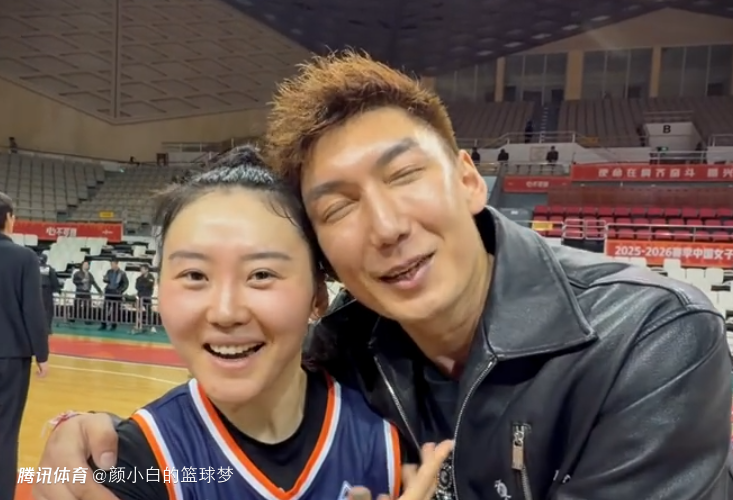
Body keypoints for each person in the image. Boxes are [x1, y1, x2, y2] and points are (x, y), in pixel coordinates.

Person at [36, 52, 732, 500]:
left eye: (404, 176)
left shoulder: (650, 337)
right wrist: (84, 436)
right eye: (337, 206)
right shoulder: (345, 351)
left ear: (469, 179)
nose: (386, 226)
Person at [39, 148, 449, 500]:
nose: (225, 311)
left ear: (318, 296)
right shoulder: (132, 464)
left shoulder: (392, 440)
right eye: (195, 275)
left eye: (261, 275)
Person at [0, 192, 48, 500]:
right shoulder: (24, 258)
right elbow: (32, 309)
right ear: (8, 218)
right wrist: (41, 352)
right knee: (5, 433)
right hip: (11, 355)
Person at [100, 259, 128, 330]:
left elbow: (126, 284)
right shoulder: (109, 271)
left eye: (112, 264)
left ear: (116, 264)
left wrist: (120, 290)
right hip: (109, 292)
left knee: (115, 310)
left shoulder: (122, 273)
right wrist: (105, 279)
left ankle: (113, 325)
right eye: (111, 264)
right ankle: (103, 324)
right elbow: (106, 280)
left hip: (116, 294)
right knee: (105, 309)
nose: (111, 266)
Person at [39, 253, 61, 333]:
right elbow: (54, 280)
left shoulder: (34, 268)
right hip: (44, 290)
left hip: (39, 290)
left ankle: (41, 327)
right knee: (47, 310)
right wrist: (57, 290)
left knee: (41, 309)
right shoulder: (48, 268)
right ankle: (46, 328)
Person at [133, 264, 155, 333]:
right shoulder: (139, 278)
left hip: (147, 297)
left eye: (142, 269)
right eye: (141, 269)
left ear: (147, 270)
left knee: (149, 312)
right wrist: (143, 285)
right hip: (140, 296)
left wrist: (142, 285)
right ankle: (138, 325)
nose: (141, 270)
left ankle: (151, 326)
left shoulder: (151, 277)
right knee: (138, 312)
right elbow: (137, 287)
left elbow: (149, 285)